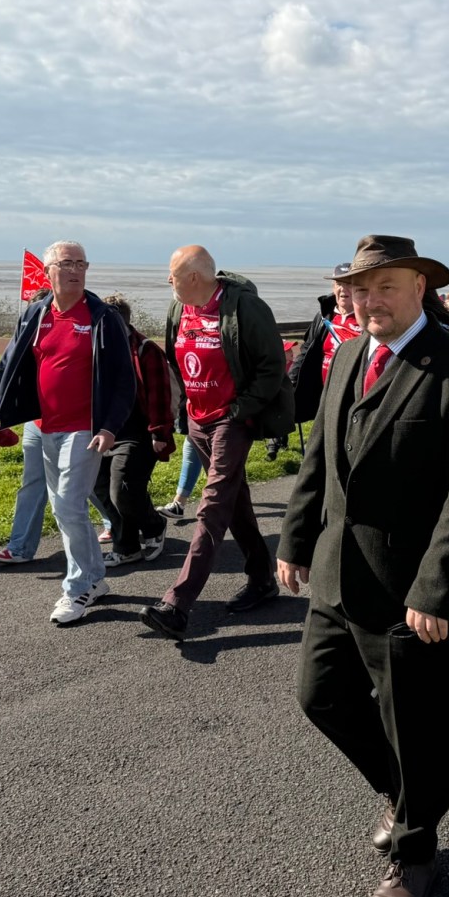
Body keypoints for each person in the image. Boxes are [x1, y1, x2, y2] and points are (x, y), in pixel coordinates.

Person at [277, 235, 449, 897]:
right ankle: (405, 797)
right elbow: (319, 459)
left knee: (417, 724)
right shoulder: (348, 354)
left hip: (415, 594)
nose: (370, 301)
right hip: (341, 577)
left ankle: (416, 855)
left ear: (419, 290)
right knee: (321, 697)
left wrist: (435, 589)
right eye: (362, 289)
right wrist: (293, 539)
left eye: (386, 288)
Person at [0, 241, 136, 625]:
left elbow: (123, 381)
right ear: (48, 271)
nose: (75, 270)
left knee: (66, 505)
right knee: (69, 508)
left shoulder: (102, 317)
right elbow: (6, 367)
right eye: (66, 263)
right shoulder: (35, 313)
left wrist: (110, 427)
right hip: (43, 426)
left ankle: (77, 587)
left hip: (85, 428)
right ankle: (95, 579)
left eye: (81, 263)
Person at [140, 246, 294, 640]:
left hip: (231, 420)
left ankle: (177, 603)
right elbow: (175, 358)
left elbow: (272, 364)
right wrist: (187, 409)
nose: (168, 282)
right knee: (235, 502)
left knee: (212, 507)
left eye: (172, 275)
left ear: (193, 277)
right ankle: (262, 579)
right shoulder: (179, 309)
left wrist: (239, 409)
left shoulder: (243, 308)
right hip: (198, 419)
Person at [91, 296, 175, 568]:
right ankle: (126, 547)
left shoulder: (145, 349)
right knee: (99, 487)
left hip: (137, 431)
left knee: (123, 490)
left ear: (120, 320)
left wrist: (160, 433)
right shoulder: (97, 346)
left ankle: (154, 526)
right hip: (104, 430)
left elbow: (160, 393)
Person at [288, 263, 362, 436]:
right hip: (324, 393)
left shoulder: (367, 318)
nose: (344, 289)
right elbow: (307, 349)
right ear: (333, 286)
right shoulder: (324, 316)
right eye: (339, 283)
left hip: (354, 394)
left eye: (350, 283)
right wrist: (292, 381)